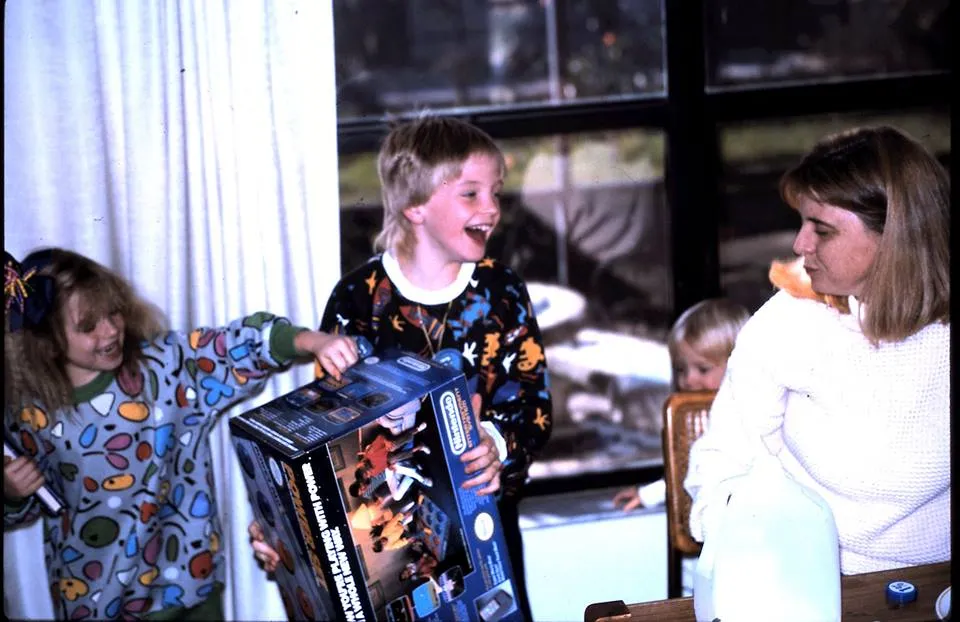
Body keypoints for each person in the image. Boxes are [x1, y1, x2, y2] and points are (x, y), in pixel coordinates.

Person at [2, 248, 358, 621]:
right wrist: (11, 492)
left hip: (188, 584)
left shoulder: (164, 368)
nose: (110, 330)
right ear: (48, 339)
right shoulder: (30, 412)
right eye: (88, 325)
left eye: (113, 312)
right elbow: (32, 502)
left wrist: (313, 342)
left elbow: (237, 346)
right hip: (95, 600)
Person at [684, 125, 950, 575]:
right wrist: (747, 543)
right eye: (803, 223)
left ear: (895, 236)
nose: (799, 244)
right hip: (805, 569)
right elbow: (721, 459)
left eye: (821, 230)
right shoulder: (787, 321)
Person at [318, 115, 552, 620]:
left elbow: (533, 405)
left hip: (485, 525)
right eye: (471, 194)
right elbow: (327, 424)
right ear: (415, 205)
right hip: (389, 545)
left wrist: (495, 443)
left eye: (496, 192)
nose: (492, 208)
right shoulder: (358, 299)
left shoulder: (501, 292)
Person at [612, 298, 750, 512]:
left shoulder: (745, 417)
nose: (688, 380)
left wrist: (652, 494)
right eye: (681, 369)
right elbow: (693, 473)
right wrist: (651, 493)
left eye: (703, 369)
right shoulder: (699, 417)